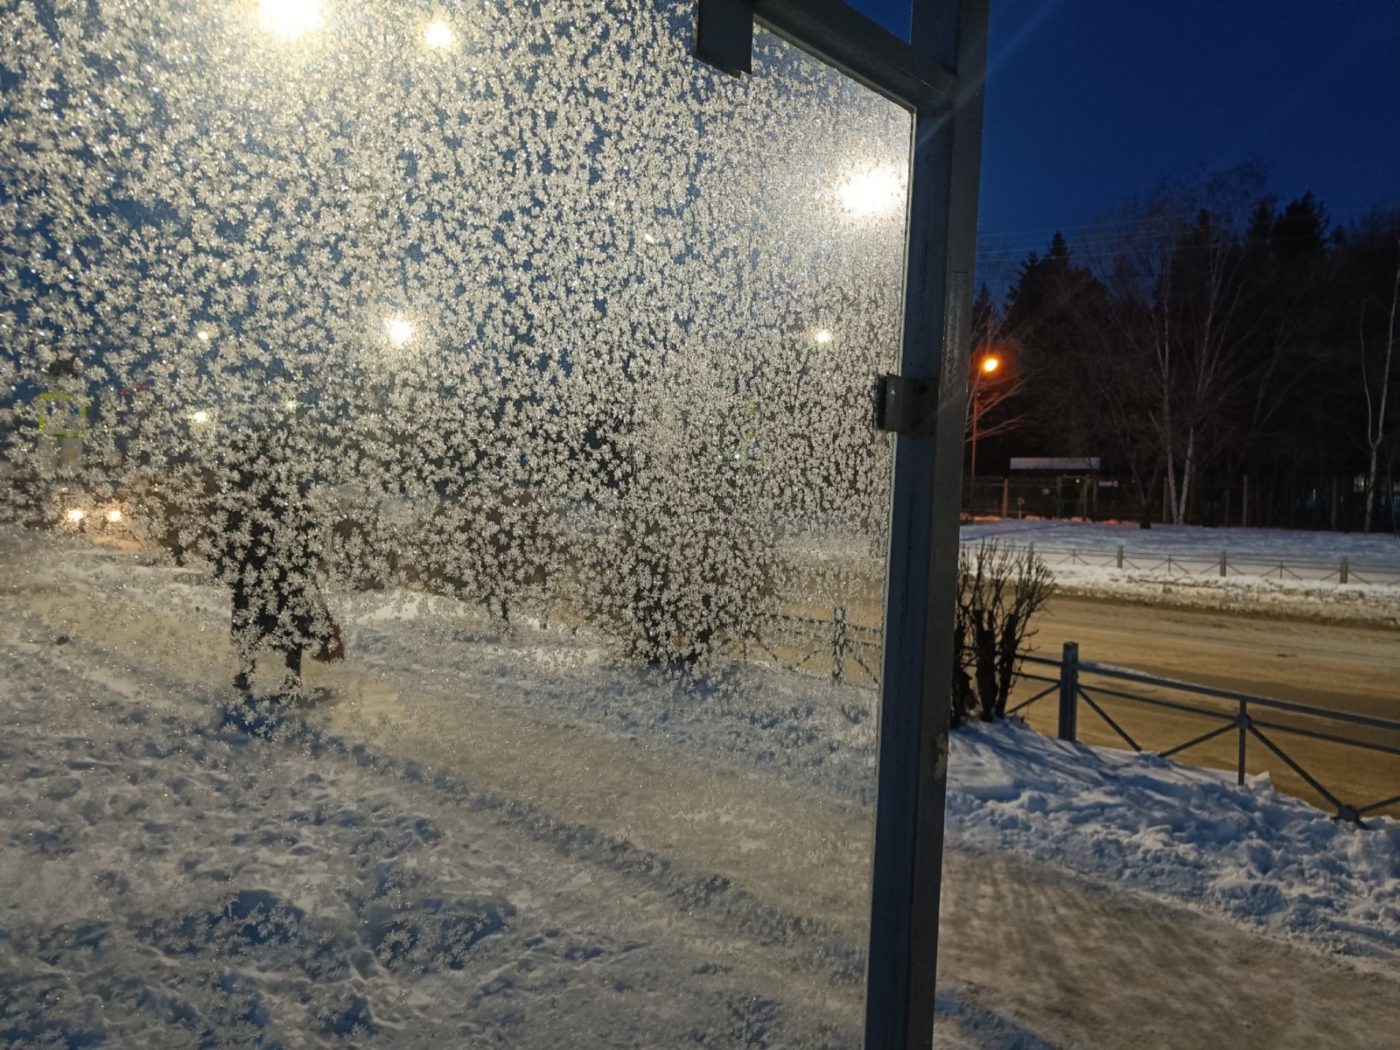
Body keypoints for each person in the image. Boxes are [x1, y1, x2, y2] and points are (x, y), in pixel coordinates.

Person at [210, 424, 335, 703]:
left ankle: (249, 672)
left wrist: (229, 563)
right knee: (287, 625)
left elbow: (231, 533)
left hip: (255, 573)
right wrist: (305, 562)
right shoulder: (288, 494)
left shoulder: (244, 495)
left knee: (251, 621)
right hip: (283, 572)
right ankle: (290, 677)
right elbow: (306, 531)